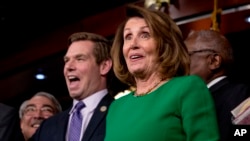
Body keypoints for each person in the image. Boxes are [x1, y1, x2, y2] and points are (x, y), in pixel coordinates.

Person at [104, 4, 219, 141]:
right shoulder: (116, 107)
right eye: (128, 37)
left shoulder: (187, 88)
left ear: (165, 45)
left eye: (145, 35)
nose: (133, 44)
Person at [30, 32, 124, 141]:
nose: (69, 67)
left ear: (104, 66)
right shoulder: (48, 127)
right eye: (67, 60)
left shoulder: (121, 114)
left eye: (80, 59)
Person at [184, 29, 250, 141]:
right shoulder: (191, 99)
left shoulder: (241, 96)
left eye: (187, 55)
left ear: (214, 61)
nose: (181, 62)